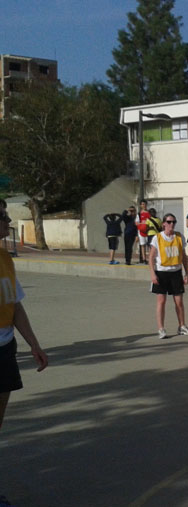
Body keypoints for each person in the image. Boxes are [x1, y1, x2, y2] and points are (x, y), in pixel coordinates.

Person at [0, 206, 48, 494]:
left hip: (4, 348)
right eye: (3, 217)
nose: (8, 221)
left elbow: (15, 306)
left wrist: (34, 345)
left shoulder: (5, 258)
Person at [148, 213, 188, 339]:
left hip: (176, 272)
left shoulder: (179, 237)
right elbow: (151, 258)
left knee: (179, 302)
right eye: (169, 222)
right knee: (161, 301)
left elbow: (183, 256)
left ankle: (182, 326)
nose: (171, 224)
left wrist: (186, 273)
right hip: (161, 272)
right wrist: (152, 274)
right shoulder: (157, 238)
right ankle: (161, 329)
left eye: (174, 222)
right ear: (164, 224)